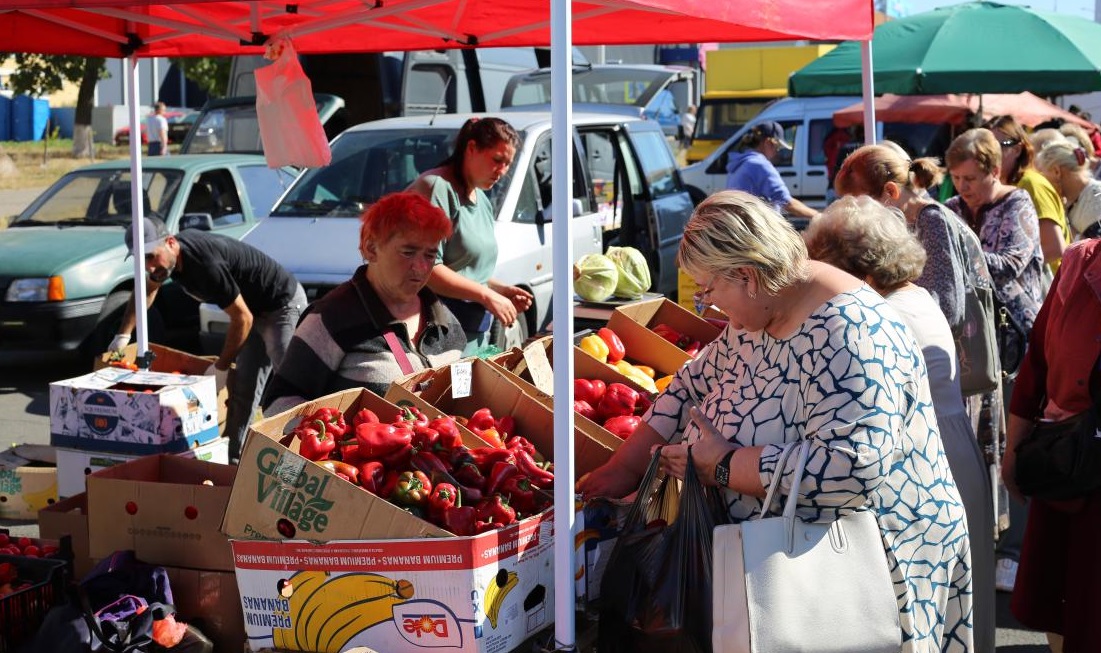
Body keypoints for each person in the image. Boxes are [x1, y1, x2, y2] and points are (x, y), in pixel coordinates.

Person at [578, 190, 974, 651]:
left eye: (708, 290)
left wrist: (723, 465)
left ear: (746, 275)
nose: (707, 307)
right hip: (783, 566)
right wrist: (621, 470)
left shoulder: (850, 330)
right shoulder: (762, 313)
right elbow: (691, 386)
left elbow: (851, 469)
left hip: (867, 573)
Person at [804, 195, 995, 653]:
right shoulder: (915, 295)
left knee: (916, 605)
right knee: (952, 602)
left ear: (858, 271)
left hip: (918, 464)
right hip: (946, 449)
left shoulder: (881, 317)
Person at [109, 216, 306, 464]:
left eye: (150, 257)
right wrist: (123, 334)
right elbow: (146, 291)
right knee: (244, 384)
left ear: (170, 243)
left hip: (281, 304)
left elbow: (241, 319)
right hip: (252, 310)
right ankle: (235, 459)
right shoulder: (165, 263)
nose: (148, 267)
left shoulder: (204, 265)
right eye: (141, 260)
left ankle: (303, 455)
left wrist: (221, 366)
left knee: (287, 382)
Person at [945, 127, 1045, 596]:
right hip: (972, 344)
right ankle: (983, 536)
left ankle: (1016, 550)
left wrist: (958, 251)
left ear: (993, 169)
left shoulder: (1018, 204)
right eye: (956, 178)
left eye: (970, 177)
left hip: (1018, 341)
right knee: (975, 440)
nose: (962, 187)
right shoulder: (950, 210)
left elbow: (1012, 260)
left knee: (1017, 440)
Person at [263, 193, 466, 414]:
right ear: (371, 248)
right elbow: (277, 403)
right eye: (408, 252)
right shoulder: (330, 318)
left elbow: (464, 398)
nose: (420, 267)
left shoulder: (446, 321)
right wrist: (343, 437)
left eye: (430, 255)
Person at [1002, 239, 1101, 653]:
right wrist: (1014, 450)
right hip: (1070, 462)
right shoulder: (1080, 261)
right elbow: (1038, 362)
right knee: (1061, 599)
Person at [407, 117, 533, 354]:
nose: (502, 171)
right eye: (497, 160)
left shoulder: (481, 199)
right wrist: (486, 295)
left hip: (472, 334)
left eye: (508, 164)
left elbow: (465, 266)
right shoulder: (437, 187)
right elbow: (428, 269)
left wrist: (500, 290)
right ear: (472, 148)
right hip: (437, 336)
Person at [834, 143, 971, 328]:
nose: (859, 216)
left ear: (890, 191)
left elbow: (948, 307)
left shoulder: (932, 220)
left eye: (863, 206)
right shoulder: (901, 223)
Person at [985, 115, 1068, 274]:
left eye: (997, 147)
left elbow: (1055, 247)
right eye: (986, 148)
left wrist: (1010, 267)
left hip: (1050, 289)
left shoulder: (1031, 184)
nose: (990, 155)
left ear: (1016, 149)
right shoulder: (1005, 186)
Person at [725, 121, 817, 219]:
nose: (777, 152)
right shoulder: (759, 164)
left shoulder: (738, 164)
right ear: (768, 142)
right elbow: (787, 203)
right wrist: (819, 217)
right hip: (755, 230)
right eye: (778, 147)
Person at [1035, 140, 1101, 240]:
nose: (1042, 182)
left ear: (1057, 171)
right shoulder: (1070, 200)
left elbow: (1095, 250)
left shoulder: (1097, 198)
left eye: (1043, 175)